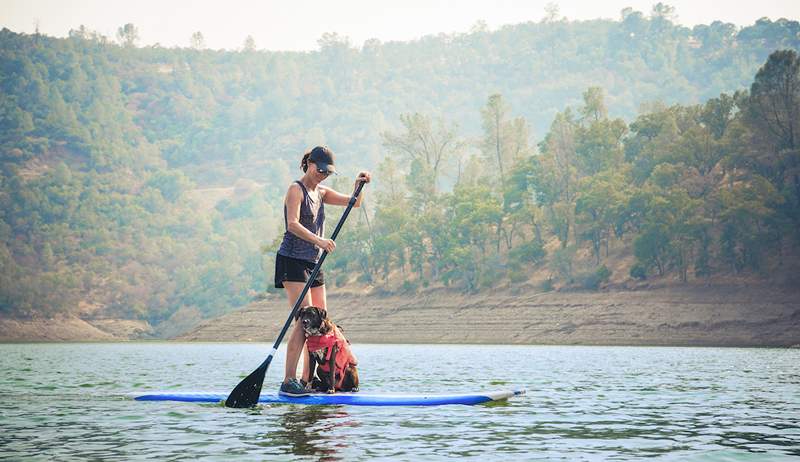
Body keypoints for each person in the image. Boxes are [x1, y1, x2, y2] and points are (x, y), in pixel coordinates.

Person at [275, 145, 370, 396]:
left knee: (320, 319)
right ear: (309, 164)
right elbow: (293, 224)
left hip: (314, 263)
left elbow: (354, 203)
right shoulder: (296, 190)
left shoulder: (322, 192)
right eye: (320, 170)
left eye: (327, 173)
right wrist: (319, 240)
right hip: (293, 260)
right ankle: (288, 380)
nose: (322, 175)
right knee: (303, 321)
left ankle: (306, 380)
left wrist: (358, 184)